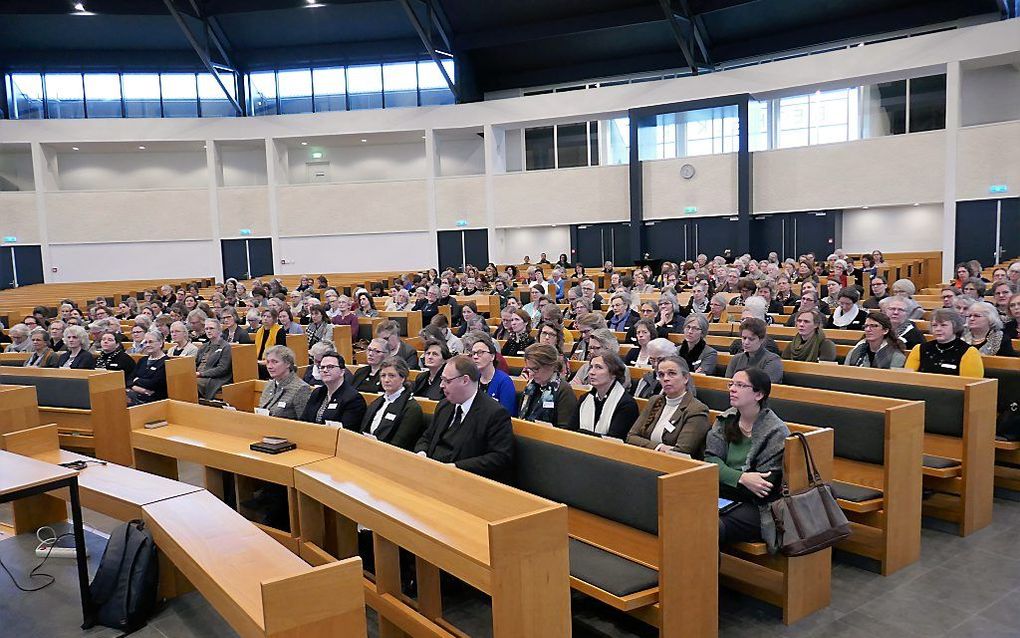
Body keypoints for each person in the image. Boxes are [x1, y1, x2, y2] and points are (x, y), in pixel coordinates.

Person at [705, 368, 790, 551]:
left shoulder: (775, 431)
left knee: (708, 526)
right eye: (732, 384)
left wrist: (723, 475)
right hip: (722, 495)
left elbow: (762, 487)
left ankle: (708, 579)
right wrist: (741, 478)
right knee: (682, 514)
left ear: (759, 394)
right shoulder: (726, 419)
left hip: (758, 508)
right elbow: (710, 459)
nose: (732, 389)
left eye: (741, 385)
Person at [414, 355, 515, 482]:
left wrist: (457, 467)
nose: (441, 385)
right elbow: (427, 437)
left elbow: (499, 457)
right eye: (442, 380)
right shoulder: (444, 406)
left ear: (465, 380)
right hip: (431, 473)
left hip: (463, 480)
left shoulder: (495, 413)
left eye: (447, 381)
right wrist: (421, 453)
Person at [627, 356, 711, 458]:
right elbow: (631, 437)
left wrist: (648, 446)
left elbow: (681, 452)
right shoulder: (655, 400)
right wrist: (659, 447)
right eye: (661, 375)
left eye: (672, 373)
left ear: (685, 378)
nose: (665, 379)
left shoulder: (696, 409)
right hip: (644, 459)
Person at [358, 356, 424, 450]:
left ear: (402, 378)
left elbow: (400, 444)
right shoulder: (377, 402)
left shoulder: (412, 408)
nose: (386, 380)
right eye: (383, 375)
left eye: (391, 375)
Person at [569, 352, 639, 439]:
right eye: (591, 367)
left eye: (598, 367)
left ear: (614, 373)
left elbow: (615, 440)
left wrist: (582, 433)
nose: (591, 372)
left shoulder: (626, 404)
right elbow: (571, 431)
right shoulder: (585, 398)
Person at [904, 309, 984, 377]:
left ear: (955, 326)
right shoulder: (919, 349)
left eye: (943, 325)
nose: (938, 329)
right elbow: (907, 378)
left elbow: (971, 385)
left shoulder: (968, 352)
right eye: (934, 325)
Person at [517, 343, 577, 428]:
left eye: (536, 369)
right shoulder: (530, 386)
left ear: (551, 365)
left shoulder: (563, 390)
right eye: (529, 369)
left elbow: (566, 430)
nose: (532, 373)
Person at [301, 351, 366, 428]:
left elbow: (347, 431)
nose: (325, 370)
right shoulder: (317, 392)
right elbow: (304, 420)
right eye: (322, 367)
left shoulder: (353, 399)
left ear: (342, 372)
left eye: (330, 367)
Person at [465, 333, 518, 416]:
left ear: (492, 356)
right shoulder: (473, 378)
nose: (475, 357)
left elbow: (506, 414)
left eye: (480, 352)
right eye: (473, 353)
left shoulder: (504, 381)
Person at [257, 345, 312, 419]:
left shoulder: (301, 388)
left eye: (275, 362)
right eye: (268, 362)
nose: (269, 366)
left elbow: (305, 422)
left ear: (288, 363)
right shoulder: (269, 385)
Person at [726, 318, 783, 383]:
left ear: (761, 340)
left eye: (751, 339)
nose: (746, 342)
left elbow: (767, 388)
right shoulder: (736, 359)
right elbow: (728, 383)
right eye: (744, 338)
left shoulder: (772, 360)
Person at [126, 332, 169, 405]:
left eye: (151, 342)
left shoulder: (166, 362)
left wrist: (137, 380)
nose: (148, 345)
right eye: (146, 342)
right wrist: (141, 390)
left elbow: (154, 384)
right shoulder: (142, 360)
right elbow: (129, 379)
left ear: (161, 343)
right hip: (136, 395)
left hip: (154, 400)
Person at [195, 318, 233, 400]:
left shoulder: (225, 347)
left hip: (213, 378)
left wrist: (201, 374)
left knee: (192, 384)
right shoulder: (204, 346)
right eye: (206, 329)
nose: (208, 331)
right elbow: (195, 363)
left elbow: (222, 369)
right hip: (198, 375)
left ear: (219, 330)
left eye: (211, 328)